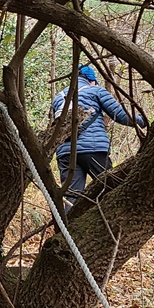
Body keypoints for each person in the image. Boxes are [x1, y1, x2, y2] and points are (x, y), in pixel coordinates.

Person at [51, 65, 145, 209]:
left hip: (65, 152)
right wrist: (143, 121)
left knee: (72, 198)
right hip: (93, 148)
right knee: (111, 190)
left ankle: (69, 228)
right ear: (91, 80)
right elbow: (120, 115)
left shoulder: (59, 97)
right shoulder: (95, 91)